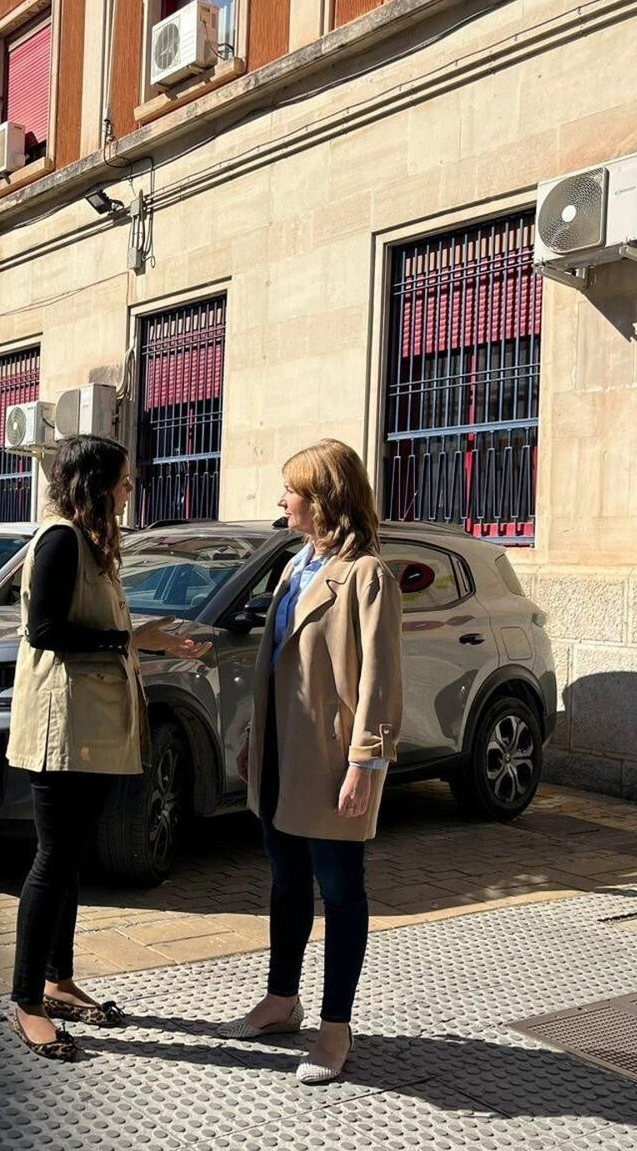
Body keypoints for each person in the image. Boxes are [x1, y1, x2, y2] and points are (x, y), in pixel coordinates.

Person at [6, 434, 211, 1061]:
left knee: (69, 859)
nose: (130, 488)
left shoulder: (92, 543)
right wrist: (131, 636)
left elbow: (96, 629)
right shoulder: (62, 538)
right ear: (92, 482)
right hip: (61, 728)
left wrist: (146, 638)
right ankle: (25, 1001)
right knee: (53, 859)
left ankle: (58, 980)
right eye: (122, 479)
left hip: (90, 728)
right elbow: (46, 631)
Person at [221, 438, 403, 1085]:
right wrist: (252, 741)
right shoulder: (297, 565)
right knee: (285, 882)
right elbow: (276, 666)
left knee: (342, 891)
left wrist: (366, 764)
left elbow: (381, 682)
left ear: (322, 498)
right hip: (279, 757)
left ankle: (334, 1027)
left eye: (291, 490)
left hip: (331, 763)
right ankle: (281, 1000)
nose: (281, 500)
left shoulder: (367, 576)